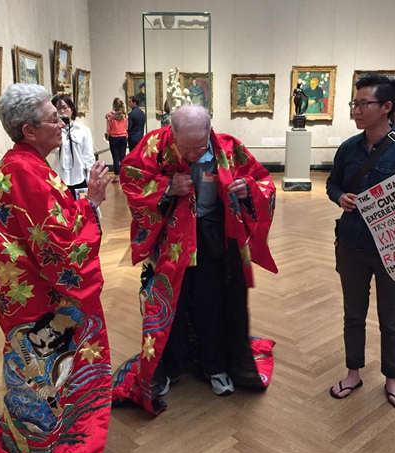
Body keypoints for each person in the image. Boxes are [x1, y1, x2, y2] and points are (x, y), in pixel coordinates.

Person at [0, 83, 113, 453]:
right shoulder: (25, 170)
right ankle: (38, 445)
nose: (62, 121)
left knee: (38, 360)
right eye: (54, 117)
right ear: (28, 130)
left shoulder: (27, 163)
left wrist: (84, 202)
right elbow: (61, 247)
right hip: (36, 292)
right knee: (39, 361)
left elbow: (51, 224)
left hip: (26, 284)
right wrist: (91, 202)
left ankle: (43, 429)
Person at [113, 105, 278, 415]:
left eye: (199, 147)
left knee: (211, 304)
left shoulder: (228, 148)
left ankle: (215, 366)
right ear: (171, 133)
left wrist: (247, 190)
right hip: (169, 242)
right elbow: (130, 180)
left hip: (213, 238)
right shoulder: (152, 147)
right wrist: (165, 189)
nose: (192, 153)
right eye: (185, 148)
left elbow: (263, 182)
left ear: (209, 133)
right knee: (168, 308)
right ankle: (170, 368)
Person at [326, 74, 395, 410]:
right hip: (352, 244)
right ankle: (353, 371)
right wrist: (339, 196)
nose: (356, 110)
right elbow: (332, 184)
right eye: (354, 104)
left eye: (363, 104)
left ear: (387, 107)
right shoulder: (348, 148)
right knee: (353, 314)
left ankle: (392, 378)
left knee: (391, 317)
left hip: (394, 247)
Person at [50, 94, 95, 199]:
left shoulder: (83, 130)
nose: (61, 112)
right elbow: (53, 150)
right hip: (60, 178)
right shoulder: (53, 131)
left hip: (79, 176)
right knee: (63, 210)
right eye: (57, 109)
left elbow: (88, 156)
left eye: (64, 108)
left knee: (82, 208)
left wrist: (90, 179)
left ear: (72, 109)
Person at [105, 97, 128, 178]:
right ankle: (124, 175)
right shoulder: (125, 115)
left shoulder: (109, 115)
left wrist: (108, 136)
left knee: (115, 157)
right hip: (123, 137)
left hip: (114, 137)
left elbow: (108, 128)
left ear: (114, 105)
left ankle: (117, 176)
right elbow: (126, 127)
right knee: (123, 156)